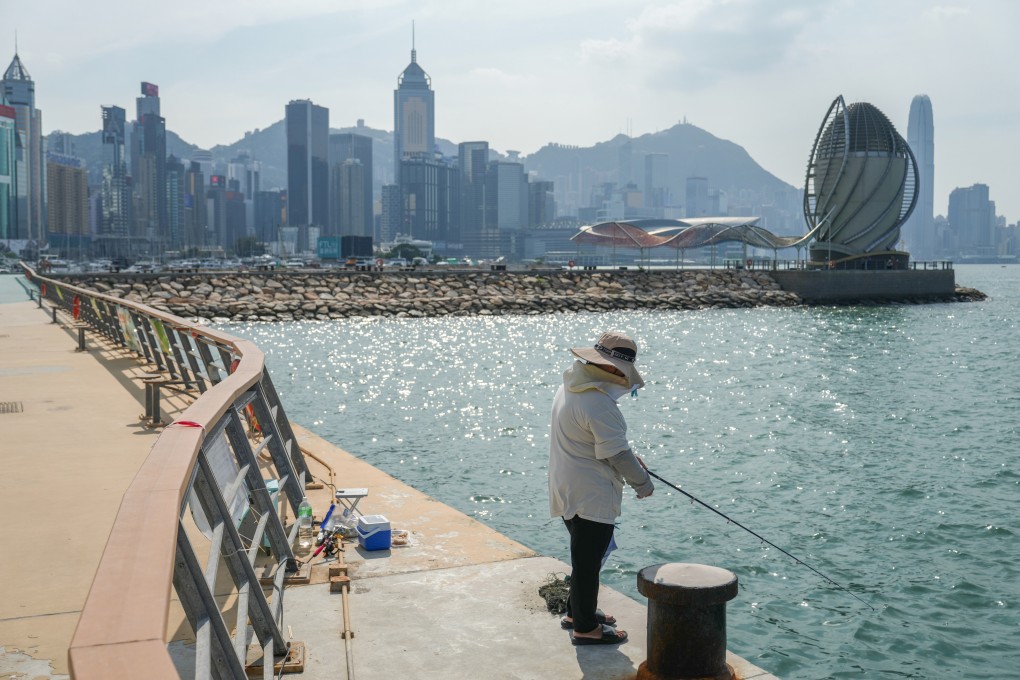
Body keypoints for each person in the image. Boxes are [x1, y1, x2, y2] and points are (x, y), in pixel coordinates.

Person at [548, 330, 654, 646]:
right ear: (609, 368)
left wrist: (627, 457)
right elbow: (617, 454)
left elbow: (599, 440)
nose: (621, 377)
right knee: (589, 562)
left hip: (566, 486)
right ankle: (584, 627)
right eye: (619, 371)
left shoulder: (570, 385)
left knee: (583, 558)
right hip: (591, 495)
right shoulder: (599, 403)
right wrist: (643, 483)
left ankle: (576, 612)